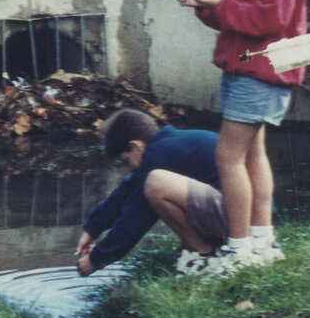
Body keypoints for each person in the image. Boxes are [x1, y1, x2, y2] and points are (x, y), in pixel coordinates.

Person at [177, 0, 308, 273]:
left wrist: (222, 3)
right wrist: (205, 5)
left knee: (227, 156)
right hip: (241, 68)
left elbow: (274, 19)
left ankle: (237, 251)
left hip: (262, 70)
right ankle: (262, 243)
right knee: (252, 154)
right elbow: (235, 19)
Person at [75, 108, 228, 276]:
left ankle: (201, 254)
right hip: (236, 214)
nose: (130, 168)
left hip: (239, 221)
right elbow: (126, 191)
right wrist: (92, 229)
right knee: (151, 183)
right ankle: (208, 248)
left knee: (156, 185)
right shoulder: (166, 145)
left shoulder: (158, 156)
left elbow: (133, 221)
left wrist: (95, 260)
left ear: (135, 146)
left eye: (126, 161)